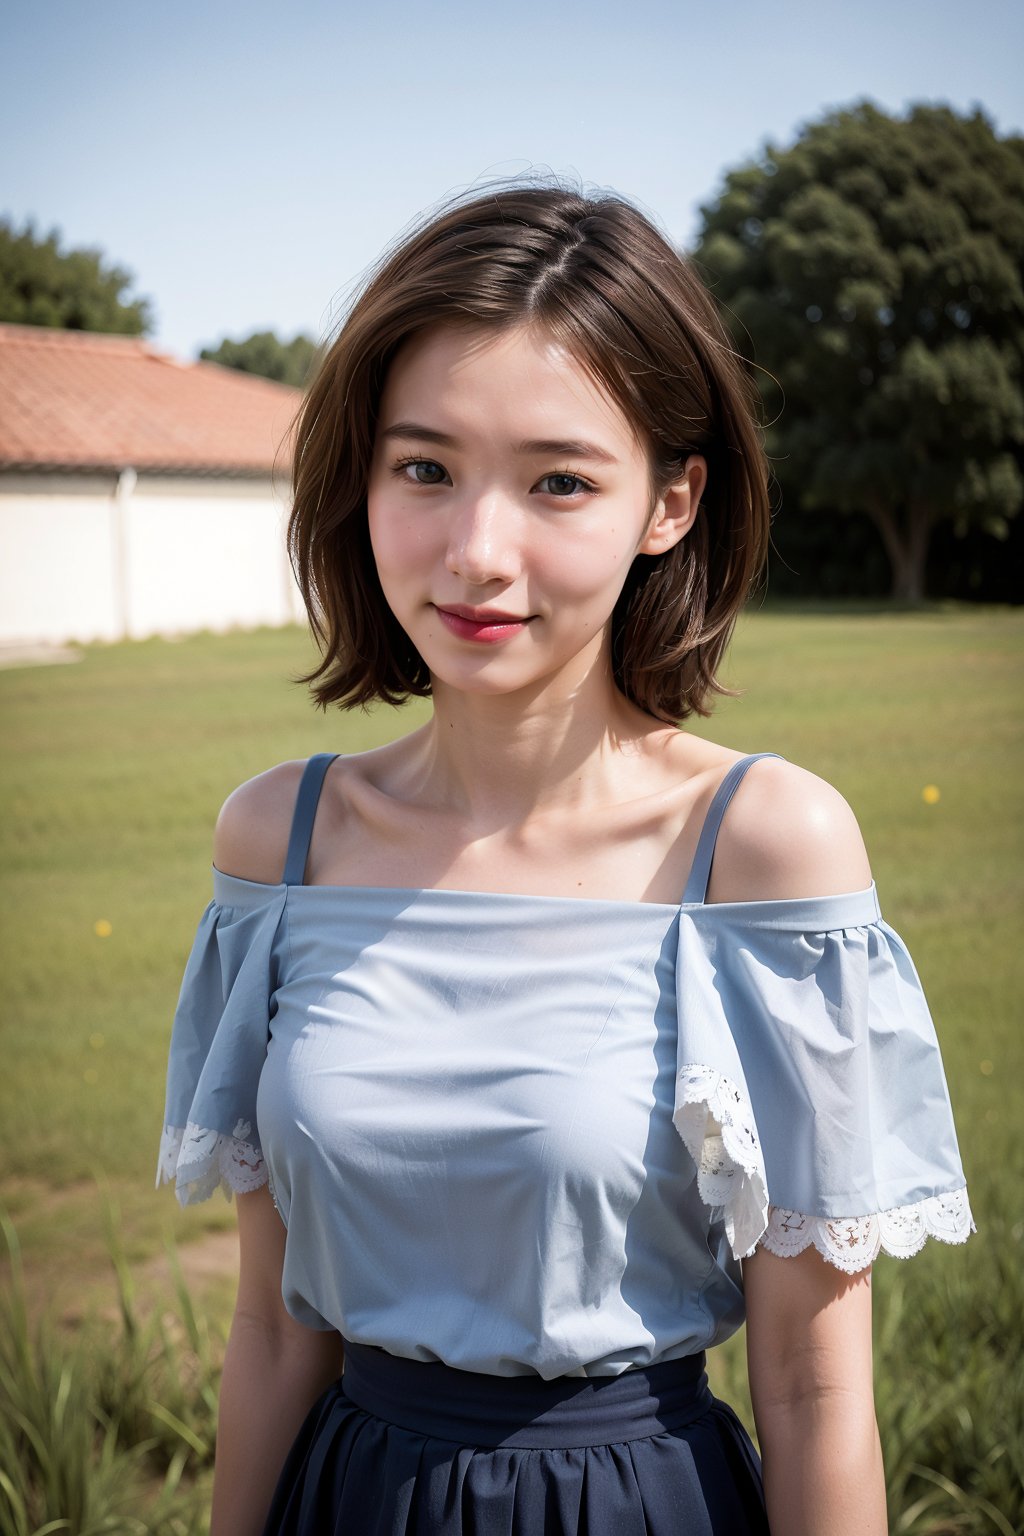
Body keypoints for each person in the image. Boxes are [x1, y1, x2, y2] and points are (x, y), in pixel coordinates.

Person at [157, 183, 974, 1536]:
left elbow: (813, 1390)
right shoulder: (278, 843)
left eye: (557, 482)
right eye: (425, 468)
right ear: (362, 478)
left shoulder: (763, 852)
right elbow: (269, 1330)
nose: (477, 552)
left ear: (669, 502)